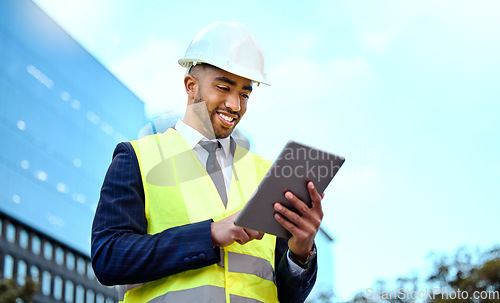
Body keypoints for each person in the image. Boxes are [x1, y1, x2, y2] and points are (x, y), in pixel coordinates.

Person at [91, 22, 325, 303]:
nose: (235, 105)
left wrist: (301, 252)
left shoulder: (267, 174)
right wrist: (211, 234)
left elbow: (288, 295)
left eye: (244, 94)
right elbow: (109, 257)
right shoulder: (138, 158)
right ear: (191, 86)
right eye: (223, 87)